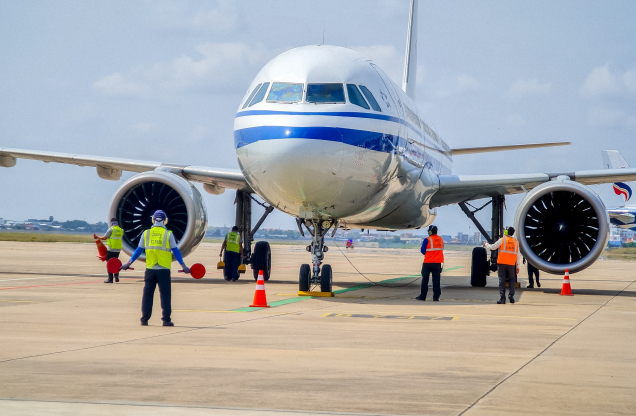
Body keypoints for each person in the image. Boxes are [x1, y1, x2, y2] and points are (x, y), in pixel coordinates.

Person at [120, 210, 191, 326]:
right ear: (165, 221)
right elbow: (176, 251)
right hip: (163, 269)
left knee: (147, 295)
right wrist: (184, 266)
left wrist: (128, 263)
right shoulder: (168, 234)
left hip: (150, 269)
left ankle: (144, 319)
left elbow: (138, 250)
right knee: (165, 295)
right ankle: (166, 320)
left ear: (152, 220)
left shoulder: (146, 233)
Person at [483, 227, 520, 304]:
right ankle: (511, 295)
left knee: (502, 281)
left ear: (506, 232)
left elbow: (493, 247)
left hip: (502, 264)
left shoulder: (502, 240)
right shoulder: (516, 242)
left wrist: (486, 244)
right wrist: (517, 266)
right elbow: (517, 255)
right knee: (512, 280)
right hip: (511, 265)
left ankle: (502, 299)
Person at [415, 225, 444, 302]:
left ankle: (423, 296)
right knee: (436, 281)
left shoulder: (427, 239)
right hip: (437, 263)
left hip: (428, 263)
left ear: (430, 231)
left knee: (425, 280)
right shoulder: (440, 239)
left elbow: (423, 251)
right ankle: (436, 297)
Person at [94, 218, 124, 283]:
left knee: (109, 263)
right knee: (116, 262)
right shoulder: (121, 230)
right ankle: (116, 277)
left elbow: (105, 238)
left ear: (111, 223)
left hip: (111, 249)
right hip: (118, 249)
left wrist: (97, 237)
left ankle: (110, 279)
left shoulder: (111, 229)